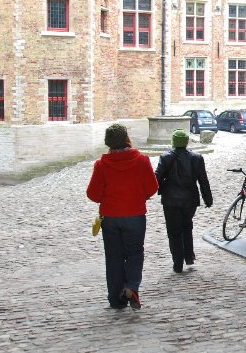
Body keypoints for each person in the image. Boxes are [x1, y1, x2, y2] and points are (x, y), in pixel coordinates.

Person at [87, 124, 158, 310]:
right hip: (135, 215)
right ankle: (131, 287)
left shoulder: (101, 165)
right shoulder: (142, 160)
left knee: (113, 257)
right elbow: (152, 187)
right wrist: (137, 195)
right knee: (135, 253)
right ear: (127, 139)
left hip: (110, 217)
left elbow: (93, 194)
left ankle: (116, 300)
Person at [155, 129, 213, 273]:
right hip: (190, 200)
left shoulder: (165, 157)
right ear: (186, 142)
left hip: (170, 200)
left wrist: (156, 189)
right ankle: (188, 256)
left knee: (174, 231)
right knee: (187, 227)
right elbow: (203, 181)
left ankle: (177, 262)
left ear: (174, 142)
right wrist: (208, 199)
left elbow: (156, 178)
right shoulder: (196, 158)